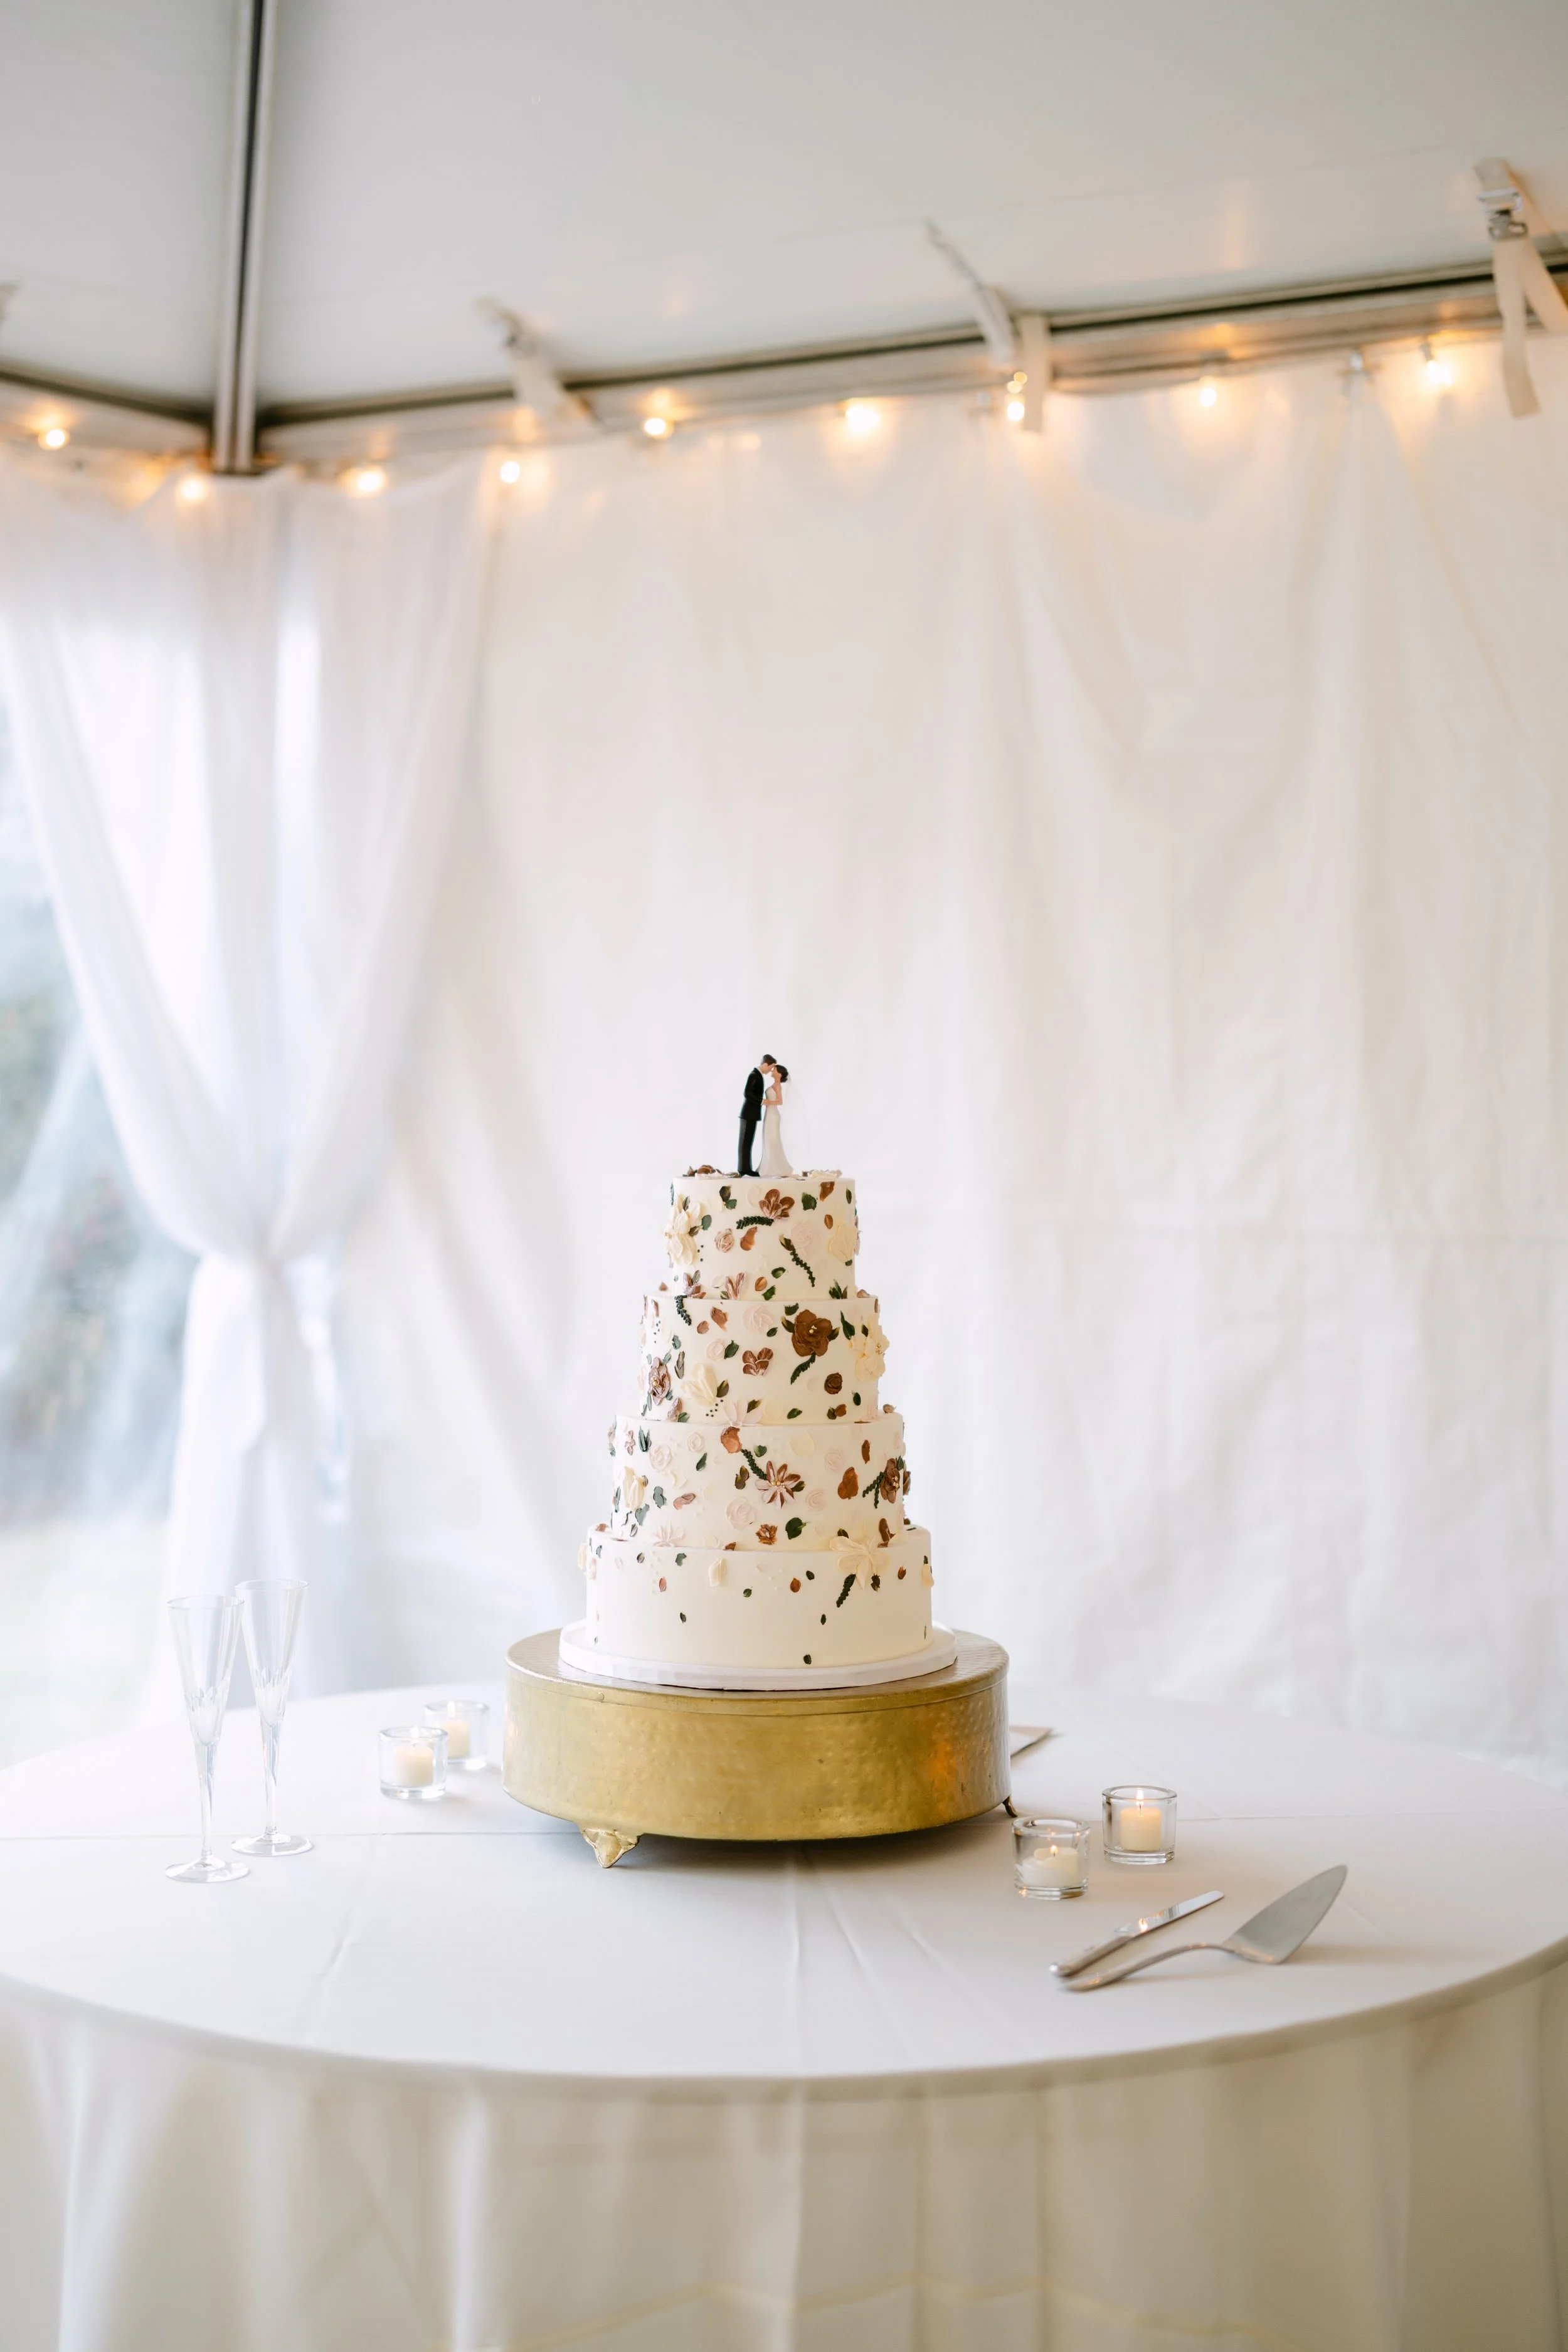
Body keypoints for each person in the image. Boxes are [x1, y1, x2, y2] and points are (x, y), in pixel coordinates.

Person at [738, 1056, 773, 1175]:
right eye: (771, 1068)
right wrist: (762, 1101)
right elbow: (747, 1093)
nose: (770, 1071)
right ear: (766, 1065)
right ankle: (744, 1169)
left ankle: (745, 1168)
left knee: (747, 1142)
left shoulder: (757, 1075)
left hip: (750, 1114)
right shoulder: (754, 1075)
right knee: (745, 1143)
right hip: (748, 1114)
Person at [759, 1061, 792, 1176]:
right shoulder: (774, 1085)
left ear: (780, 1074)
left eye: (775, 1070)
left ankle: (775, 1168)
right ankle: (769, 1166)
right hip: (769, 1113)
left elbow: (780, 1101)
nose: (773, 1071)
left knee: (772, 1139)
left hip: (773, 1115)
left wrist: (767, 1102)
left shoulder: (777, 1085)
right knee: (768, 1139)